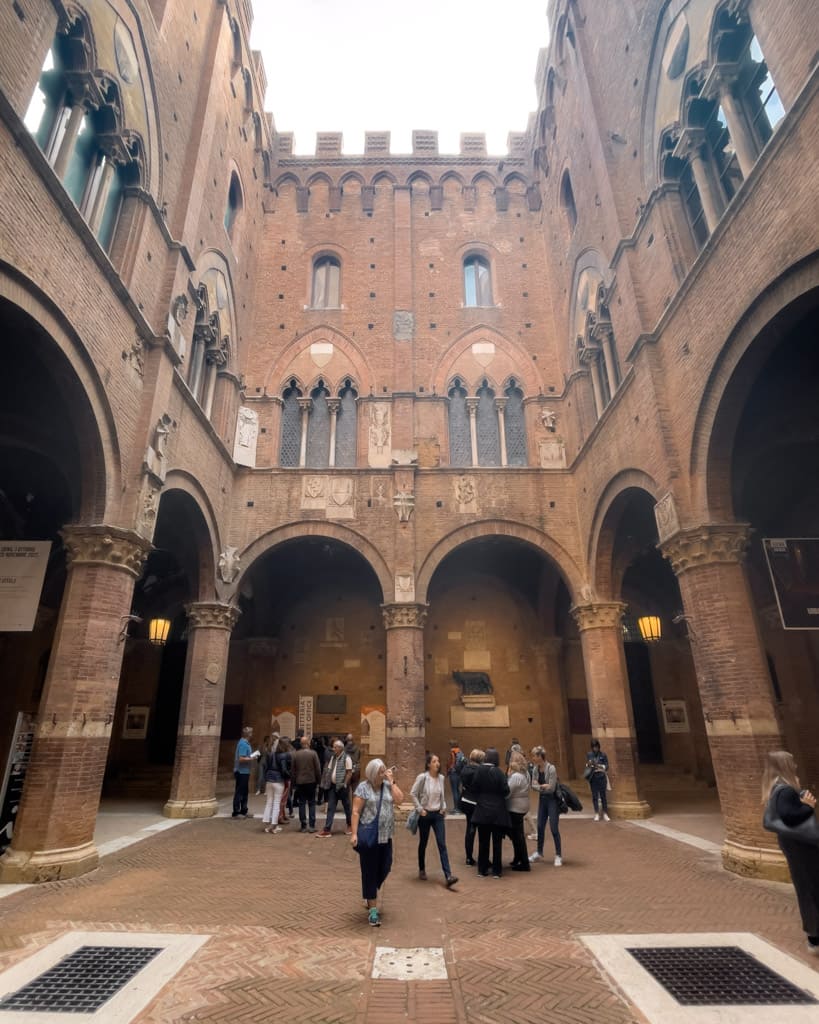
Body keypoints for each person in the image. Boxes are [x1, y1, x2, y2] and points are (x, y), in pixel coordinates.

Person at [761, 750, 819, 954]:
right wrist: (809, 807)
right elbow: (790, 816)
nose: (794, 765)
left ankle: (814, 935)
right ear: (784, 765)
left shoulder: (776, 787)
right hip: (801, 845)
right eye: (791, 762)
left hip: (794, 844)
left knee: (807, 886)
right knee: (811, 887)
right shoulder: (785, 790)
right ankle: (814, 938)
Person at [351, 759, 404, 927]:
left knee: (386, 865)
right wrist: (354, 833)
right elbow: (356, 811)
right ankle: (373, 910)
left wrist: (392, 781)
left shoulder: (387, 785)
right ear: (373, 773)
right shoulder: (363, 787)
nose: (384, 773)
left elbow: (400, 800)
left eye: (384, 770)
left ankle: (370, 891)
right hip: (369, 836)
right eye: (381, 771)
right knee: (369, 871)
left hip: (385, 835)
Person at [410, 753, 459, 888]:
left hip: (438, 815)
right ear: (428, 764)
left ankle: (448, 875)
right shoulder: (423, 778)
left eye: (438, 761)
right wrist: (420, 809)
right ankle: (421, 869)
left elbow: (441, 796)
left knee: (442, 844)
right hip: (425, 815)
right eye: (434, 761)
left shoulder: (441, 778)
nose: (437, 763)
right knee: (423, 842)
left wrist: (443, 807)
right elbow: (413, 793)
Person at [470, 747, 510, 877]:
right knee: (497, 842)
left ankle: (482, 869)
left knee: (483, 841)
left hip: (482, 811)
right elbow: (506, 790)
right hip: (497, 811)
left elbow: (474, 787)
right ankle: (497, 871)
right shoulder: (498, 772)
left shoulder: (479, 771)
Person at [529, 745, 563, 866]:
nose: (532, 758)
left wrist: (540, 786)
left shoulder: (551, 768)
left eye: (534, 755)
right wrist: (543, 786)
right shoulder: (535, 769)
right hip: (542, 801)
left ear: (540, 756)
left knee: (554, 828)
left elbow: (552, 788)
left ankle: (558, 855)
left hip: (552, 801)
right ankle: (539, 852)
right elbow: (532, 785)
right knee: (539, 827)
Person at [317, 738, 353, 836]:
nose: (333, 749)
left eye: (335, 747)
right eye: (334, 747)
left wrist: (345, 783)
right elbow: (329, 769)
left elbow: (349, 773)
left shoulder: (347, 758)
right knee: (331, 807)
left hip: (342, 787)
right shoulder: (333, 758)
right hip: (333, 786)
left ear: (340, 748)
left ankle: (350, 826)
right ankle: (327, 829)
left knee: (347, 807)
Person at [459, 748, 485, 866]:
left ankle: (468, 858)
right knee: (482, 831)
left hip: (465, 801)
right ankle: (482, 857)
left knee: (470, 829)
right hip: (477, 802)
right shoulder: (480, 771)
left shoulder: (465, 769)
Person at [506, 751, 531, 871]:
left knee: (518, 836)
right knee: (517, 834)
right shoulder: (524, 774)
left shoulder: (516, 776)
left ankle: (524, 862)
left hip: (515, 808)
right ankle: (517, 858)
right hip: (522, 806)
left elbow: (507, 792)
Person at [291, 734, 321, 832]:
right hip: (311, 781)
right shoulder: (313, 754)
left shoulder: (296, 754)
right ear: (308, 743)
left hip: (300, 781)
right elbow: (317, 769)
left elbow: (293, 770)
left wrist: (293, 782)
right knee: (312, 803)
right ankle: (312, 826)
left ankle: (303, 825)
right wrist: (318, 781)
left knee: (302, 803)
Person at [261, 734, 286, 833]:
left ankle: (267, 823)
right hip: (278, 780)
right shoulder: (281, 755)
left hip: (269, 779)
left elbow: (265, 766)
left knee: (269, 802)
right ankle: (274, 826)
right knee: (276, 803)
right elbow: (283, 769)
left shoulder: (269, 754)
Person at [232, 726, 259, 818]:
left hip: (245, 771)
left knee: (244, 791)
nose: (252, 734)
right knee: (240, 791)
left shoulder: (245, 743)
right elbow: (241, 758)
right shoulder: (243, 744)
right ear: (248, 734)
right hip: (241, 771)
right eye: (251, 733)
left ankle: (244, 810)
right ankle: (236, 812)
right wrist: (252, 758)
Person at [585, 739, 610, 821]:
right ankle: (596, 813)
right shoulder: (589, 755)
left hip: (601, 776)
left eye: (596, 747)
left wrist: (600, 766)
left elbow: (607, 766)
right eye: (593, 747)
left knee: (603, 796)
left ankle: (605, 813)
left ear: (599, 747)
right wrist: (589, 764)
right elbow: (587, 765)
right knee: (595, 796)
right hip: (593, 777)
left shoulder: (603, 754)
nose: (595, 749)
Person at [446, 739, 466, 812]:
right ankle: (459, 807)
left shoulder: (453, 752)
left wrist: (451, 769)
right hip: (459, 774)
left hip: (454, 773)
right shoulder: (461, 752)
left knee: (454, 791)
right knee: (457, 790)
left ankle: (456, 808)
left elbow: (455, 763)